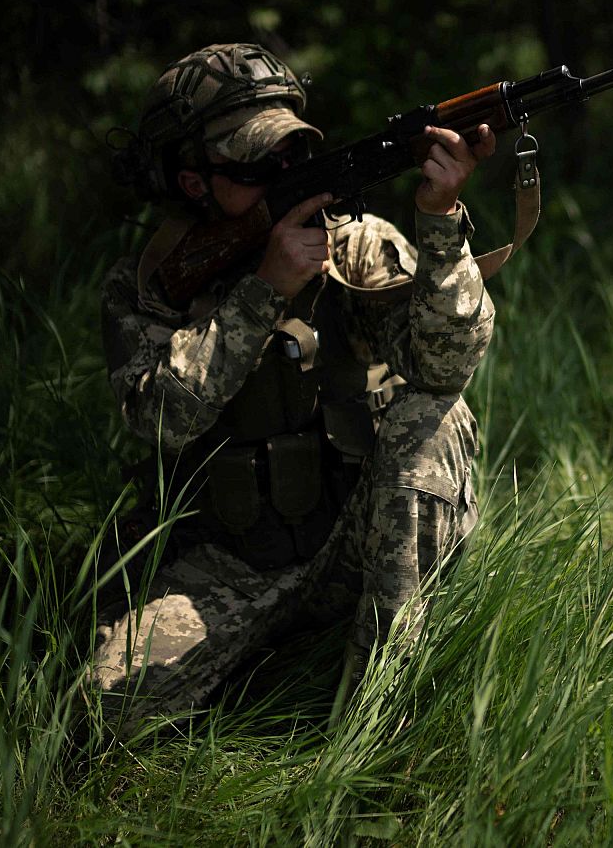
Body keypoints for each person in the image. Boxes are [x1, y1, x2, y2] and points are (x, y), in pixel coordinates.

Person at [90, 42, 497, 725]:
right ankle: (274, 656)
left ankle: (375, 714)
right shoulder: (150, 284)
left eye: (294, 154)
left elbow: (444, 368)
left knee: (430, 418)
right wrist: (264, 292)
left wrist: (441, 222)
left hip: (357, 537)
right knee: (101, 712)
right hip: (227, 561)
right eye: (259, 163)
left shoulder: (355, 241)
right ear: (194, 180)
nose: (287, 174)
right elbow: (162, 419)